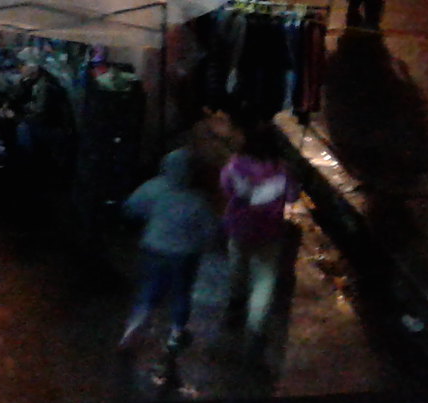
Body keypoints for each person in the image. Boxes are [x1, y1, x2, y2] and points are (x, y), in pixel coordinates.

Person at [119, 148, 217, 350]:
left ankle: (135, 326)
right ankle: (176, 332)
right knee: (181, 293)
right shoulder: (198, 199)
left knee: (149, 290)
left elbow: (131, 207)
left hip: (154, 247)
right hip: (185, 254)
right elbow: (210, 229)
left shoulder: (153, 188)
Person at [220, 121, 296, 347]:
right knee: (264, 280)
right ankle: (255, 327)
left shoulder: (234, 166)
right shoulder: (282, 170)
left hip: (239, 227)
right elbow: (292, 196)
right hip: (270, 231)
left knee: (237, 267)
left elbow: (225, 188)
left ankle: (234, 306)